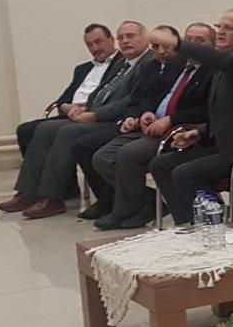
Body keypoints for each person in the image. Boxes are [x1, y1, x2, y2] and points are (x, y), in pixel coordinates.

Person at [8, 21, 151, 219]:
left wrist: (93, 114)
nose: (125, 41)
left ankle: (52, 196)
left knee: (67, 132)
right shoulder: (123, 64)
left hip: (116, 120)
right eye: (122, 37)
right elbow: (101, 92)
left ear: (145, 37)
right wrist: (83, 107)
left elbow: (129, 101)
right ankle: (30, 191)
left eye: (130, 36)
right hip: (95, 113)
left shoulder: (146, 63)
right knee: (43, 129)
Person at [90, 23, 215, 230]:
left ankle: (124, 211)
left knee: (129, 154)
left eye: (200, 41)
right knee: (102, 157)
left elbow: (203, 109)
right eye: (189, 40)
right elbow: (150, 97)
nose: (193, 45)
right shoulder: (177, 66)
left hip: (179, 130)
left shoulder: (210, 71)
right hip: (152, 125)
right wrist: (145, 113)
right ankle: (144, 202)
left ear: (213, 44)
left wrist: (170, 120)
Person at [149, 8, 233, 225]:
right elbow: (225, 114)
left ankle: (215, 227)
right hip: (220, 144)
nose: (221, 32)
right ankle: (189, 224)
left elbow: (226, 62)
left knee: (186, 173)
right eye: (219, 26)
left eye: (229, 28)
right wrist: (198, 132)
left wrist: (177, 43)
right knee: (161, 164)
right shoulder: (224, 61)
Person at [7, 23, 119, 165]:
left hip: (93, 115)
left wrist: (84, 107)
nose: (95, 48)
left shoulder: (121, 64)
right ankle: (39, 176)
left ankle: (58, 178)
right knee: (25, 130)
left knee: (53, 130)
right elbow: (63, 100)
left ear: (111, 40)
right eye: (89, 45)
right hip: (70, 114)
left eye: (98, 42)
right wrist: (67, 107)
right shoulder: (82, 69)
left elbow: (111, 96)